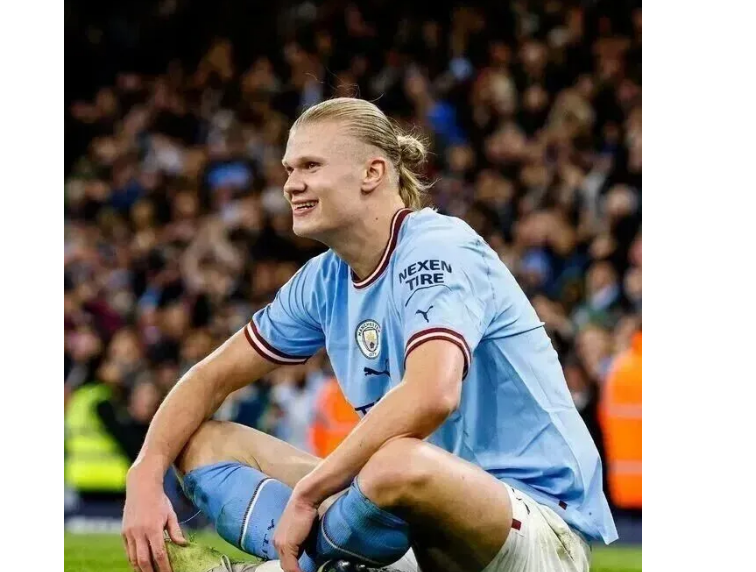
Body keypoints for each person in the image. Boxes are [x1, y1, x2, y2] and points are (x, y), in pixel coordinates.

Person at [122, 97, 617, 572]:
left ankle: (299, 564)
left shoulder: (439, 249)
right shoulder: (323, 279)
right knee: (200, 441)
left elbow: (432, 395)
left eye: (310, 166)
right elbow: (209, 377)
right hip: (412, 523)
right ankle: (335, 561)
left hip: (533, 528)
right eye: (289, 169)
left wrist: (311, 492)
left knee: (396, 461)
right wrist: (144, 472)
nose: (291, 184)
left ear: (372, 172)